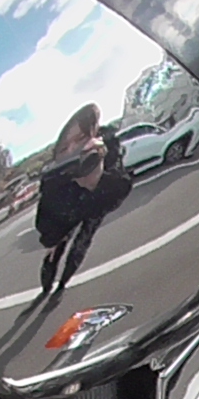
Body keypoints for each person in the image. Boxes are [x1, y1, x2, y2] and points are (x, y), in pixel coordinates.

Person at [35, 104, 133, 299]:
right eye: (65, 147)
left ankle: (63, 282)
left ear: (94, 134)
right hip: (68, 212)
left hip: (94, 207)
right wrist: (51, 239)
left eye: (81, 139)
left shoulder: (107, 149)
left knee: (82, 241)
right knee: (56, 250)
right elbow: (45, 214)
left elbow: (121, 189)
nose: (73, 150)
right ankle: (47, 285)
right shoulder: (54, 177)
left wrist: (96, 177)